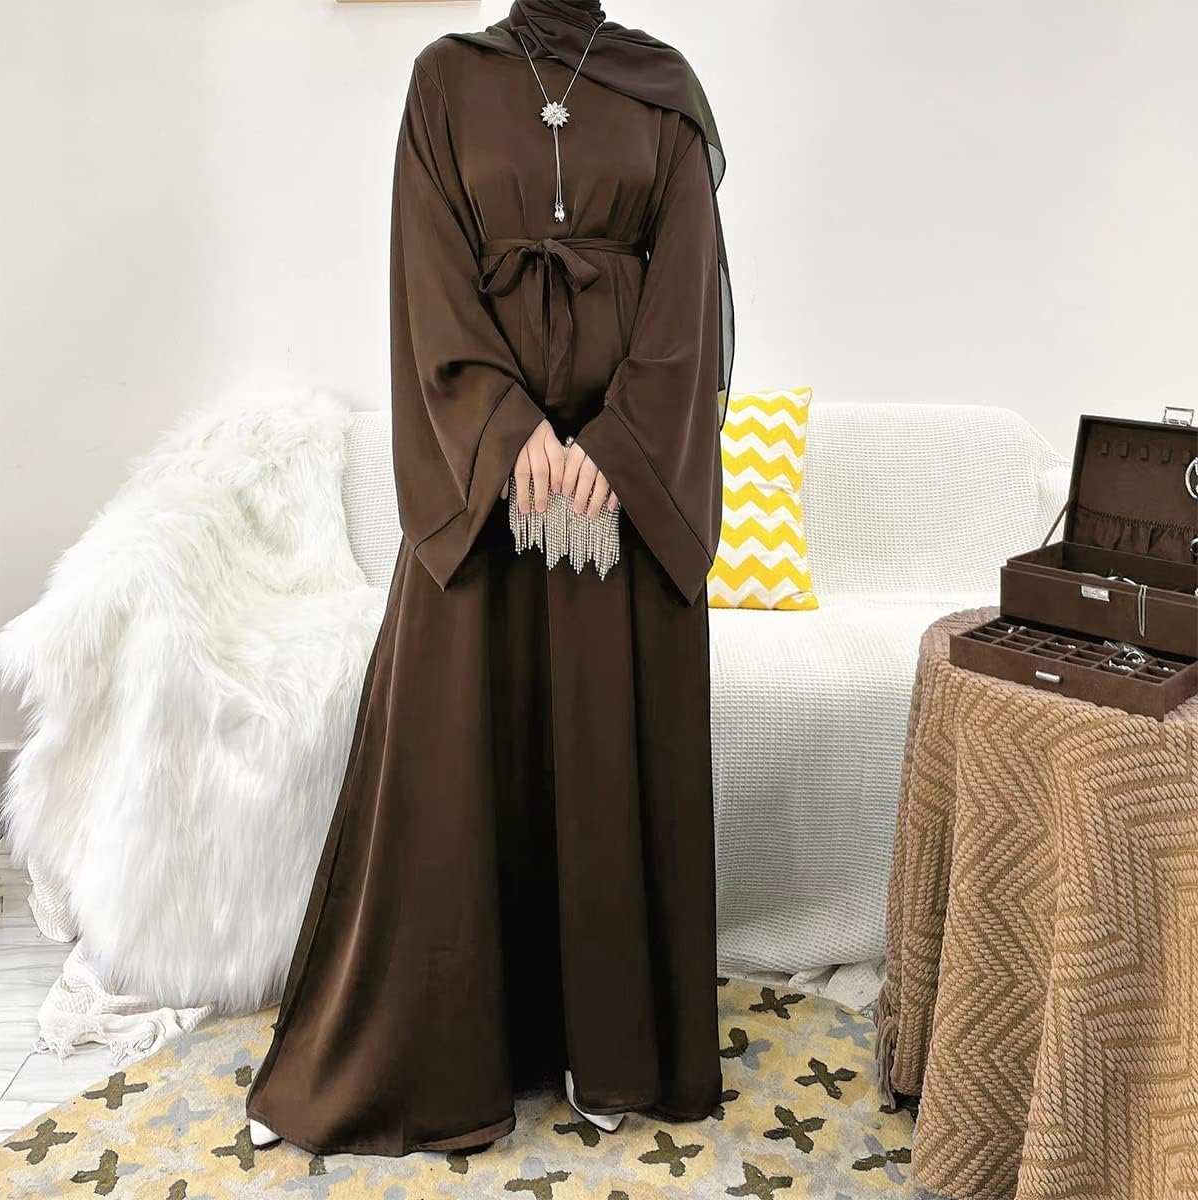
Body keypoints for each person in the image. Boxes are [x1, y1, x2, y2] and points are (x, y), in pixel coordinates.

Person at [245, 0, 735, 1157]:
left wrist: (616, 451)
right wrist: (510, 438)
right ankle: (439, 1052)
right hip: (488, 492)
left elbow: (686, 305)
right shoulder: (445, 80)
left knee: (606, 751)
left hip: (614, 502)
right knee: (450, 763)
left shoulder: (664, 88)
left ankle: (615, 1045)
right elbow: (430, 282)